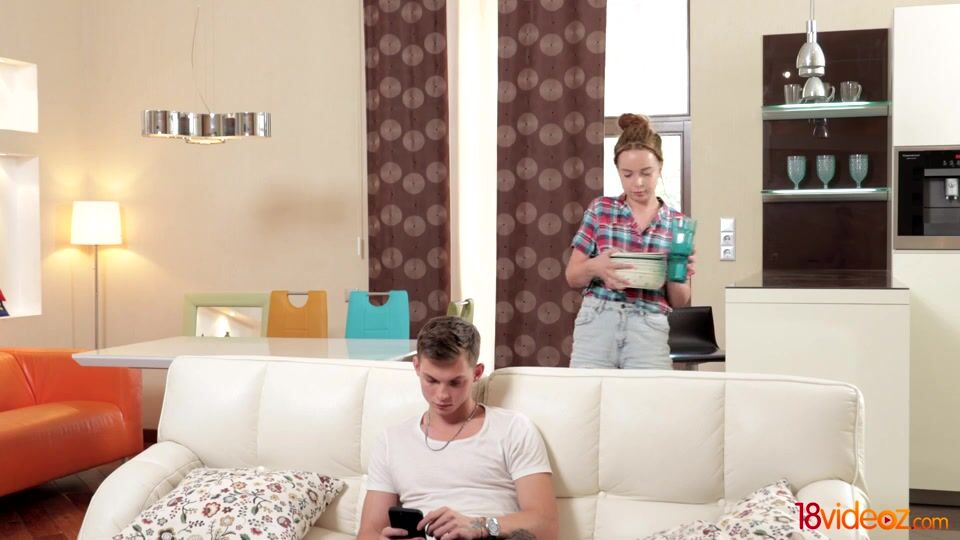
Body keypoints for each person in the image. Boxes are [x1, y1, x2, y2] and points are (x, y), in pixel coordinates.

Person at [357, 316, 558, 540]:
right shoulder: (391, 441)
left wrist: (479, 525)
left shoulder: (513, 429)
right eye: (432, 380)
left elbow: (546, 527)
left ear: (477, 373)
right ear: (416, 367)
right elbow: (367, 533)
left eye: (455, 382)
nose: (442, 395)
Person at [564, 113, 696, 370]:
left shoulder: (677, 223)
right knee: (586, 395)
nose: (638, 183)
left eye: (646, 173)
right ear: (618, 172)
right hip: (597, 320)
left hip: (649, 327)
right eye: (627, 174)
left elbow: (679, 300)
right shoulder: (600, 210)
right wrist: (596, 267)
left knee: (647, 396)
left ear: (660, 167)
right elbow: (573, 276)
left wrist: (676, 268)